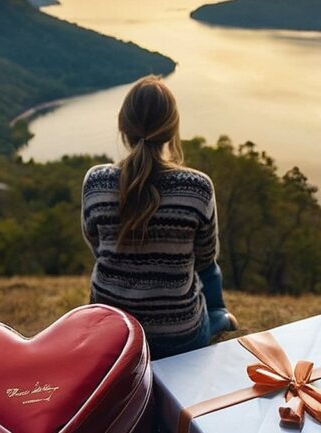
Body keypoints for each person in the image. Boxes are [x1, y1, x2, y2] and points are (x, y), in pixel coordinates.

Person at [81, 75, 237, 359]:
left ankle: (215, 317)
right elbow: (205, 261)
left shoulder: (96, 183)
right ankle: (219, 316)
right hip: (178, 337)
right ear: (172, 130)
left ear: (123, 126)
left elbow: (97, 246)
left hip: (112, 334)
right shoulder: (197, 188)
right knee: (209, 285)